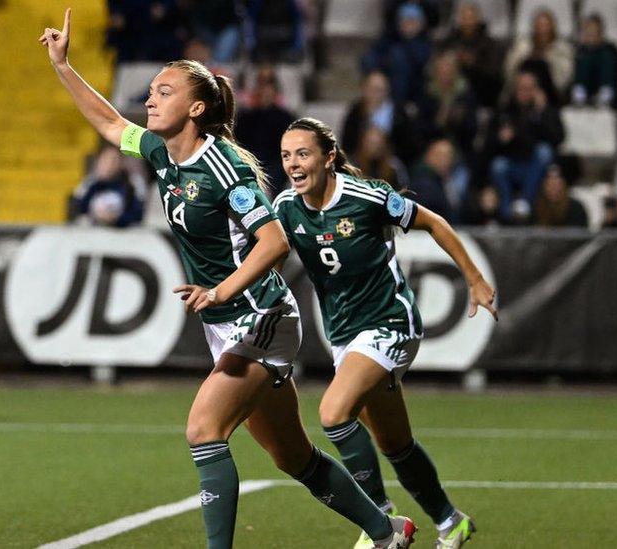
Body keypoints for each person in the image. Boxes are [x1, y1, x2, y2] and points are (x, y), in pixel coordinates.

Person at [40, 10, 416, 549]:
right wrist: (63, 66)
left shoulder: (223, 166)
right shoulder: (163, 155)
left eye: (163, 92)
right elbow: (109, 124)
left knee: (202, 431)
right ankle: (388, 532)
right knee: (293, 457)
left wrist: (220, 290)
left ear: (195, 107)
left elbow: (274, 242)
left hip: (260, 316)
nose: (149, 100)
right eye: (150, 91)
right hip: (228, 323)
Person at [275, 117, 496, 549]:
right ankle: (451, 522)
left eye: (303, 153)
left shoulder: (367, 197)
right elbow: (273, 256)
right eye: (286, 155)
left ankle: (381, 521)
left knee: (334, 414)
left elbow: (435, 224)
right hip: (343, 334)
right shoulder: (286, 206)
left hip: (389, 323)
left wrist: (474, 278)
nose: (293, 164)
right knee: (395, 443)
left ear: (329, 157)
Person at [486, 71, 565, 223]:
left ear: (536, 91)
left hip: (536, 167)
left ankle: (525, 202)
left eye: (529, 89)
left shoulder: (544, 111)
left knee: (544, 151)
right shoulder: (504, 111)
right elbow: (488, 146)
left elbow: (558, 139)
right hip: (512, 165)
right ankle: (507, 214)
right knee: (498, 166)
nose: (524, 93)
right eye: (521, 88)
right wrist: (500, 139)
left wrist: (541, 113)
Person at [361, 2, 432, 108]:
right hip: (386, 80)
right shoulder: (388, 39)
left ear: (420, 25)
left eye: (412, 22)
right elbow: (370, 57)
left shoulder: (424, 43)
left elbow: (420, 62)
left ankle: (396, 106)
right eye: (405, 21)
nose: (408, 25)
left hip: (412, 89)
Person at [438, 1, 502, 108]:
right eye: (463, 17)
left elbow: (494, 71)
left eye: (470, 17)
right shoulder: (450, 40)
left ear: (478, 18)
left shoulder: (489, 43)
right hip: (451, 89)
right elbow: (439, 60)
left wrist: (472, 62)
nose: (467, 21)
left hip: (479, 89)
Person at [503, 9, 573, 105]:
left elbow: (563, 80)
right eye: (539, 25)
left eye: (545, 26)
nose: (542, 30)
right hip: (520, 93)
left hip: (551, 94)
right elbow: (509, 71)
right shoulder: (522, 45)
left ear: (552, 27)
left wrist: (548, 58)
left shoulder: (562, 48)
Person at [408, 138, 470, 223]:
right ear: (428, 156)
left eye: (449, 156)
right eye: (439, 155)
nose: (445, 160)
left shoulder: (446, 181)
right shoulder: (423, 183)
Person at [571, 14, 617, 109]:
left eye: (594, 30)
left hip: (603, 83)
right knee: (584, 58)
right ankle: (579, 94)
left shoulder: (609, 49)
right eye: (588, 30)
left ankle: (605, 95)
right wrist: (586, 47)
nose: (591, 33)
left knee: (606, 56)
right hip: (584, 85)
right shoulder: (579, 49)